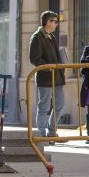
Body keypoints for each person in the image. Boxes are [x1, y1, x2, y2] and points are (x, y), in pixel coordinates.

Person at [29, 11, 65, 143]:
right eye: (55, 21)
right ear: (48, 22)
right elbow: (34, 58)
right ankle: (41, 134)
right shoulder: (37, 37)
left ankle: (51, 132)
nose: (57, 24)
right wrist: (47, 66)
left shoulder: (51, 37)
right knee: (44, 106)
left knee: (60, 105)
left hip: (58, 77)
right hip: (45, 77)